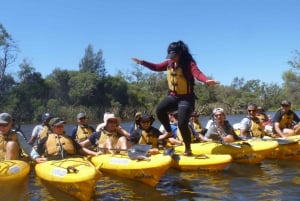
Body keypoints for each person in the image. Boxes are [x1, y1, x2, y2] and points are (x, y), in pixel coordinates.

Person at [132, 40, 219, 156]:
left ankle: (188, 149)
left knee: (182, 123)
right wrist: (142, 62)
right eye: (170, 56)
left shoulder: (188, 64)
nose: (172, 58)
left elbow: (197, 73)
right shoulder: (169, 63)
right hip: (173, 96)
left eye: (174, 55)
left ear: (180, 54)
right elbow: (156, 67)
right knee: (160, 110)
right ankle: (168, 132)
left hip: (186, 98)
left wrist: (206, 80)